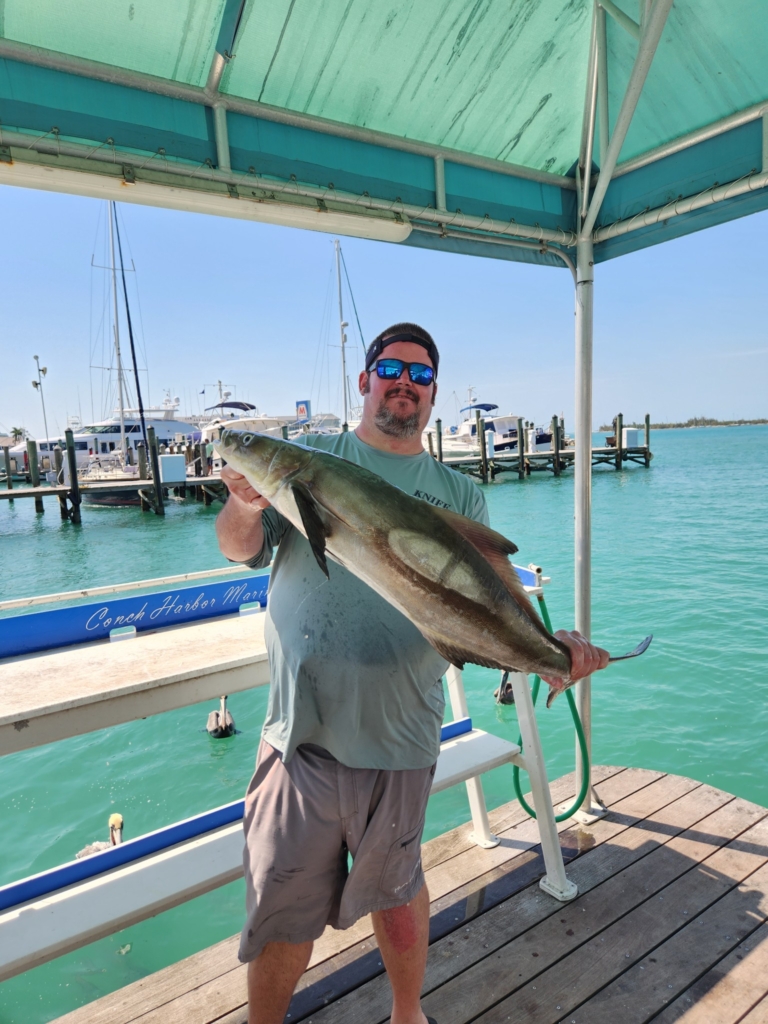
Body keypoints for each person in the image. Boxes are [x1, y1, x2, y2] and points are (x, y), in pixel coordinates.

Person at [215, 323, 608, 1024]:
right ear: (365, 381)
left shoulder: (458, 491)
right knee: (280, 911)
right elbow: (238, 549)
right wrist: (245, 499)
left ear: (431, 395)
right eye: (390, 367)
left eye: (420, 374)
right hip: (298, 733)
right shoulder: (306, 463)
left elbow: (493, 593)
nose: (404, 382)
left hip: (400, 732)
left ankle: (407, 1016)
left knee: (397, 891)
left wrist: (549, 649)